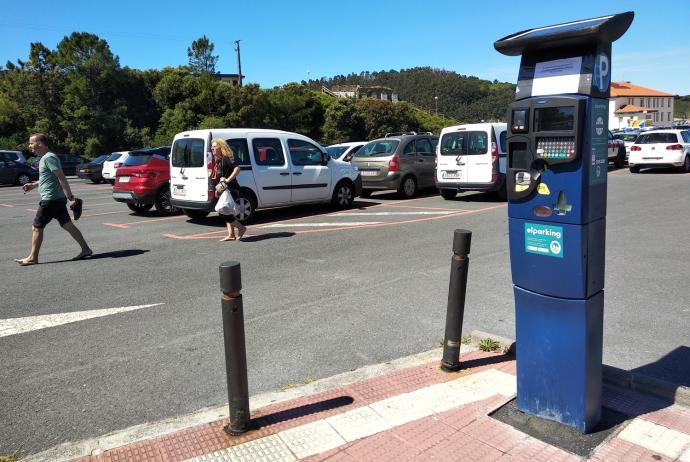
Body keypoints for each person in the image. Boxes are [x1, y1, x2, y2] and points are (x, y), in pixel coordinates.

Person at [15, 133, 92, 266]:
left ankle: (33, 257)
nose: (29, 146)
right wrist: (33, 185)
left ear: (40, 143)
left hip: (50, 199)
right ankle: (86, 249)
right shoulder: (47, 158)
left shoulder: (48, 158)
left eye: (31, 143)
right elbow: (48, 178)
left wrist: (71, 197)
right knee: (67, 225)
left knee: (36, 227)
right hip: (56, 199)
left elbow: (61, 177)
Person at [210, 138, 247, 242]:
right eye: (211, 147)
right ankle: (231, 234)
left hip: (232, 189)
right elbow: (219, 178)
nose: (212, 148)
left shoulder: (227, 158)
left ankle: (241, 228)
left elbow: (237, 168)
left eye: (214, 146)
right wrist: (218, 190)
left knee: (222, 211)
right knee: (227, 211)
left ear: (220, 147)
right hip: (224, 190)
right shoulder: (219, 160)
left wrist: (228, 180)